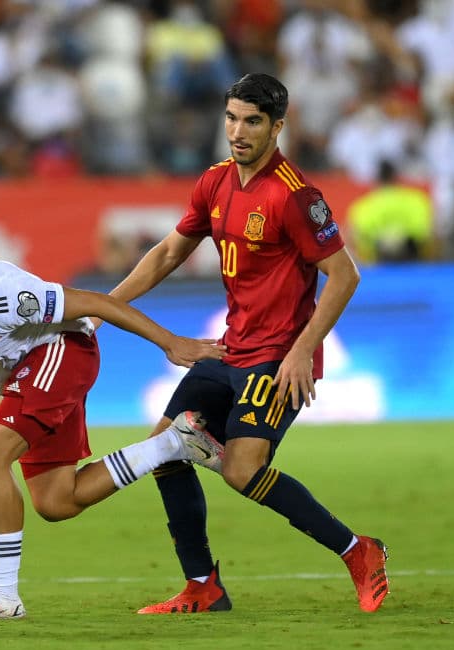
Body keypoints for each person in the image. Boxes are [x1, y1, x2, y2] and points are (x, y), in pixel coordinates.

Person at [106, 73, 390, 614]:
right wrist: (104, 310)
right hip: (230, 349)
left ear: (277, 126)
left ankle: (358, 551)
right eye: (232, 118)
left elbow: (345, 275)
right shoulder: (213, 182)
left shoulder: (295, 195)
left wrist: (304, 349)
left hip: (279, 357)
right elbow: (169, 253)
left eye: (252, 121)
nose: (238, 131)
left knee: (240, 470)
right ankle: (202, 586)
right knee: (162, 450)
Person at [0, 238, 227, 621]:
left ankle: (3, 595)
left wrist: (171, 343)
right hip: (26, 374)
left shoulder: (0, 291)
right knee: (57, 502)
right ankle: (174, 443)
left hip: (62, 347)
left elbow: (97, 304)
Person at [346, 159, 432, 263]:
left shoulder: (362, 206)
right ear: (396, 176)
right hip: (412, 264)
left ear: (377, 179)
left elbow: (355, 239)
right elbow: (426, 235)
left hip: (378, 267)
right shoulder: (417, 200)